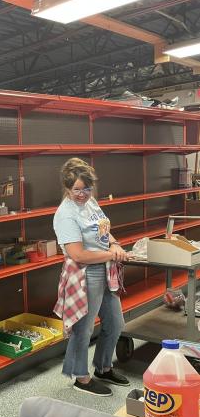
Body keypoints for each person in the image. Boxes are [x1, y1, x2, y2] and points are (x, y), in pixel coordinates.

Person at [53, 157, 130, 397]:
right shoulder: (65, 214)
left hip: (104, 267)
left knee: (116, 322)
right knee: (83, 329)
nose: (83, 194)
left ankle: (104, 367)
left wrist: (115, 243)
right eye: (77, 189)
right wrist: (110, 253)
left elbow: (103, 229)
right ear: (67, 188)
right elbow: (78, 254)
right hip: (85, 273)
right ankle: (81, 378)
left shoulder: (91, 202)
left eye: (87, 188)